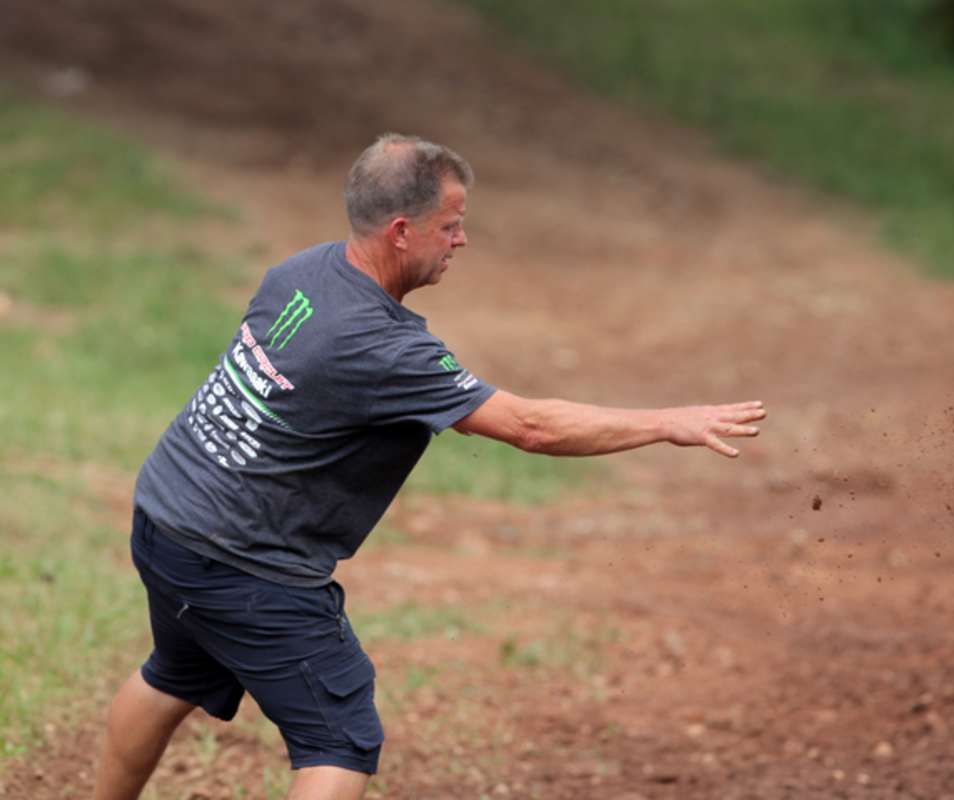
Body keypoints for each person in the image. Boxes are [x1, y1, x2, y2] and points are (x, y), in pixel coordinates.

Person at [94, 133, 766, 800]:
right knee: (339, 744)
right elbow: (530, 428)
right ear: (400, 231)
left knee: (172, 676)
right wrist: (666, 424)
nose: (461, 240)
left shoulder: (301, 271)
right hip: (241, 564)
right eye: (451, 225)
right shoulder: (379, 347)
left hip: (167, 516)